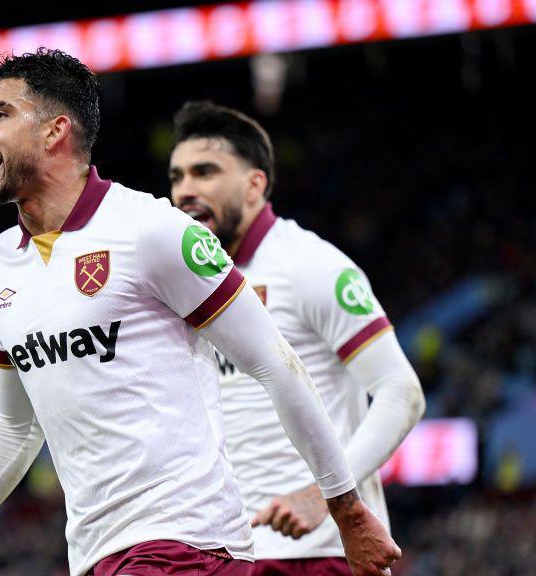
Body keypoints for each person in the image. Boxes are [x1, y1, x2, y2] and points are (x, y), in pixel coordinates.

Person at [0, 48, 399, 576]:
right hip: (96, 553)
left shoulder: (153, 230)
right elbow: (15, 425)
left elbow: (275, 364)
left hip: (186, 543)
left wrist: (345, 508)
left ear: (54, 132)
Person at [168, 100, 425, 576]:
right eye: (178, 176)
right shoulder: (184, 283)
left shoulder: (310, 265)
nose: (186, 190)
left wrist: (325, 496)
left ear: (254, 185)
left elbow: (401, 392)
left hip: (321, 552)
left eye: (205, 172)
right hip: (227, 550)